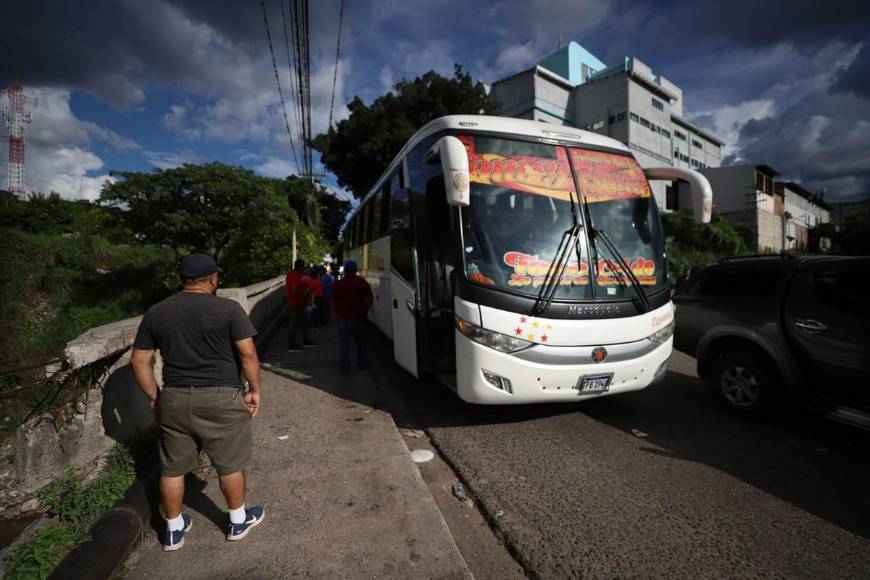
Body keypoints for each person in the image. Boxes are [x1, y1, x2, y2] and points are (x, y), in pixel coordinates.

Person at [130, 253, 264, 551]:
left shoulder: (157, 312)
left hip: (175, 398)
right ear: (213, 279)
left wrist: (155, 396)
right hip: (222, 397)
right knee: (229, 463)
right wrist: (254, 389)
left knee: (172, 468)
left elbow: (139, 360)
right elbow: (248, 354)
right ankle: (238, 521)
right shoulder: (229, 309)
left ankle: (174, 530)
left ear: (183, 280)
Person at [332, 260, 373, 371]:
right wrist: (365, 311)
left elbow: (334, 301)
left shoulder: (338, 284)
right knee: (361, 344)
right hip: (359, 317)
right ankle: (362, 365)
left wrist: (338, 312)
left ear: (345, 270)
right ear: (355, 270)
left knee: (345, 344)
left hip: (344, 318)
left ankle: (345, 366)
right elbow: (369, 298)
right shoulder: (362, 282)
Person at [285, 258, 314, 351]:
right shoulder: (294, 276)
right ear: (301, 267)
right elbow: (294, 289)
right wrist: (304, 293)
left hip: (299, 303)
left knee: (304, 322)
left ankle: (306, 340)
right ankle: (292, 344)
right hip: (296, 303)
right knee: (294, 324)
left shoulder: (293, 274)